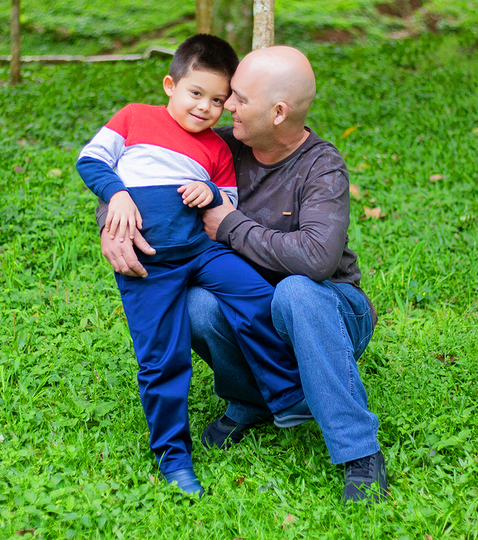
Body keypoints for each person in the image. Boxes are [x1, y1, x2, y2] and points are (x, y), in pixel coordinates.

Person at [100, 44, 388, 504]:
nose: (225, 106)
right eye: (227, 95)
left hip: (329, 310)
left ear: (277, 112)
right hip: (250, 308)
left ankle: (360, 451)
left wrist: (230, 225)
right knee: (196, 303)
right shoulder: (222, 143)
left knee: (295, 291)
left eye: (238, 99)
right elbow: (139, 167)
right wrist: (111, 220)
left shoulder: (322, 167)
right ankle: (251, 399)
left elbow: (316, 260)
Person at [76, 34, 309, 498]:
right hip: (149, 264)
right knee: (163, 358)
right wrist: (116, 194)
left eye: (219, 100)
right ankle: (173, 455)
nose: (205, 108)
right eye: (196, 93)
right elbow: (90, 159)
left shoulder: (217, 150)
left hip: (203, 252)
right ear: (170, 84)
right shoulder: (134, 119)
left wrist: (212, 195)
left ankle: (284, 392)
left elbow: (229, 200)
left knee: (258, 297)